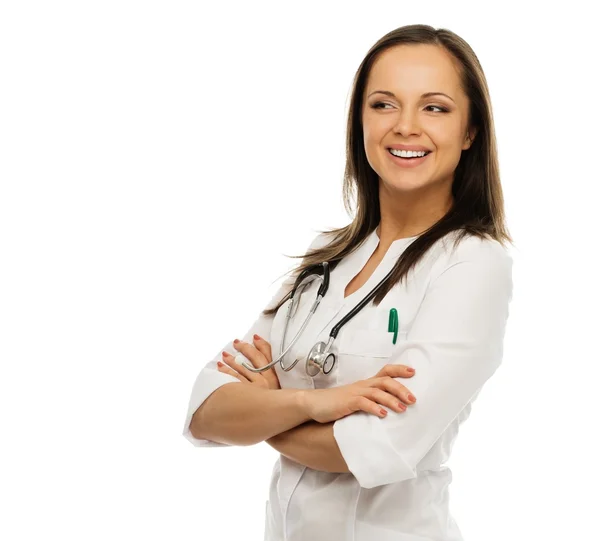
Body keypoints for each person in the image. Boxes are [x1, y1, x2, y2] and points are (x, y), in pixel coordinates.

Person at [182, 23, 514, 541]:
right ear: (359, 121)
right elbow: (207, 412)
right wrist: (315, 404)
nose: (406, 126)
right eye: (383, 104)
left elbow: (372, 447)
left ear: (470, 131)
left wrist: (264, 414)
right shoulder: (325, 258)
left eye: (435, 107)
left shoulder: (471, 264)